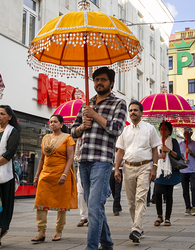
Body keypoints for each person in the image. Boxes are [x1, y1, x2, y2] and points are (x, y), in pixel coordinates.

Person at [71, 67, 127, 250]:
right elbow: (73, 131)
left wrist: (95, 115)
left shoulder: (119, 103)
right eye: (95, 80)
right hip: (84, 159)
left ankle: (91, 247)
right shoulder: (86, 104)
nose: (98, 83)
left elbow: (117, 128)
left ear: (111, 82)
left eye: (102, 80)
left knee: (94, 206)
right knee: (94, 206)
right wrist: (82, 127)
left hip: (102, 161)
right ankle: (107, 242)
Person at [115, 100, 161, 244]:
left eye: (135, 110)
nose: (132, 112)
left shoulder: (150, 129)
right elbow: (120, 151)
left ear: (141, 113)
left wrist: (154, 167)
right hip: (128, 168)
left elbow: (155, 149)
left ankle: (135, 229)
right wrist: (116, 168)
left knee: (141, 197)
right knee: (131, 202)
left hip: (145, 166)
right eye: (130, 110)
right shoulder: (124, 130)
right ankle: (139, 228)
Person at [32, 114, 77, 242]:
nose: (52, 124)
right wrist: (37, 176)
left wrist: (64, 174)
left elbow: (70, 159)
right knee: (40, 203)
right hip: (45, 175)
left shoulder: (67, 138)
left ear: (62, 124)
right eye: (51, 122)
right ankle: (41, 232)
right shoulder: (45, 138)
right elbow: (41, 159)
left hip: (61, 176)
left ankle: (58, 231)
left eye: (55, 122)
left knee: (61, 204)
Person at [153, 121, 181, 227]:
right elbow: (152, 155)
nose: (162, 131)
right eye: (161, 129)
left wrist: (168, 150)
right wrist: (160, 156)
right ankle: (159, 216)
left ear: (169, 131)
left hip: (170, 172)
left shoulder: (173, 141)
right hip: (159, 170)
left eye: (165, 129)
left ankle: (168, 217)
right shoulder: (156, 141)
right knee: (158, 192)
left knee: (169, 194)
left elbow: (178, 156)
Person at [0, 105, 20, 248]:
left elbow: (8, 154)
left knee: (3, 208)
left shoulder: (12, 132)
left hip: (4, 175)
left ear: (9, 117)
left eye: (2, 114)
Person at [179, 128, 195, 215]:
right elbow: (178, 156)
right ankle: (187, 207)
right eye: (185, 132)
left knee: (193, 187)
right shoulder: (180, 144)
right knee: (185, 189)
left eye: (188, 132)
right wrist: (183, 160)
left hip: (193, 169)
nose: (187, 134)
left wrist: (191, 152)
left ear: (191, 133)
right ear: (183, 133)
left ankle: (194, 207)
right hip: (183, 169)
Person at [74, 138, 88, 227]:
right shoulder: (79, 140)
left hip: (94, 168)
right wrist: (79, 158)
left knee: (91, 193)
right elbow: (75, 155)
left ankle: (91, 217)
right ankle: (83, 217)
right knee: (80, 193)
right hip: (81, 168)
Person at [109, 149, 124, 216]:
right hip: (110, 171)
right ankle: (118, 205)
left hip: (119, 171)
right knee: (113, 190)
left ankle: (115, 209)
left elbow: (125, 163)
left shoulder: (122, 151)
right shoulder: (110, 150)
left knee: (118, 190)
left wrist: (117, 165)